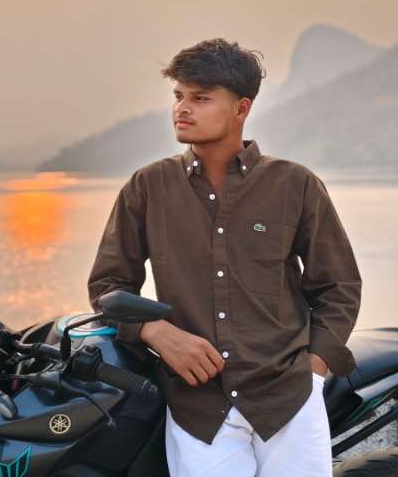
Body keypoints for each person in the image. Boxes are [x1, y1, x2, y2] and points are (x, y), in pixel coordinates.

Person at [88, 38, 362, 477]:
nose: (182, 108)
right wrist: (156, 332)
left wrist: (314, 368)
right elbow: (108, 286)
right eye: (179, 95)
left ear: (241, 108)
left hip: (288, 399)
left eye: (200, 98)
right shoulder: (148, 187)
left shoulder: (295, 185)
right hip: (198, 406)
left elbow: (338, 285)